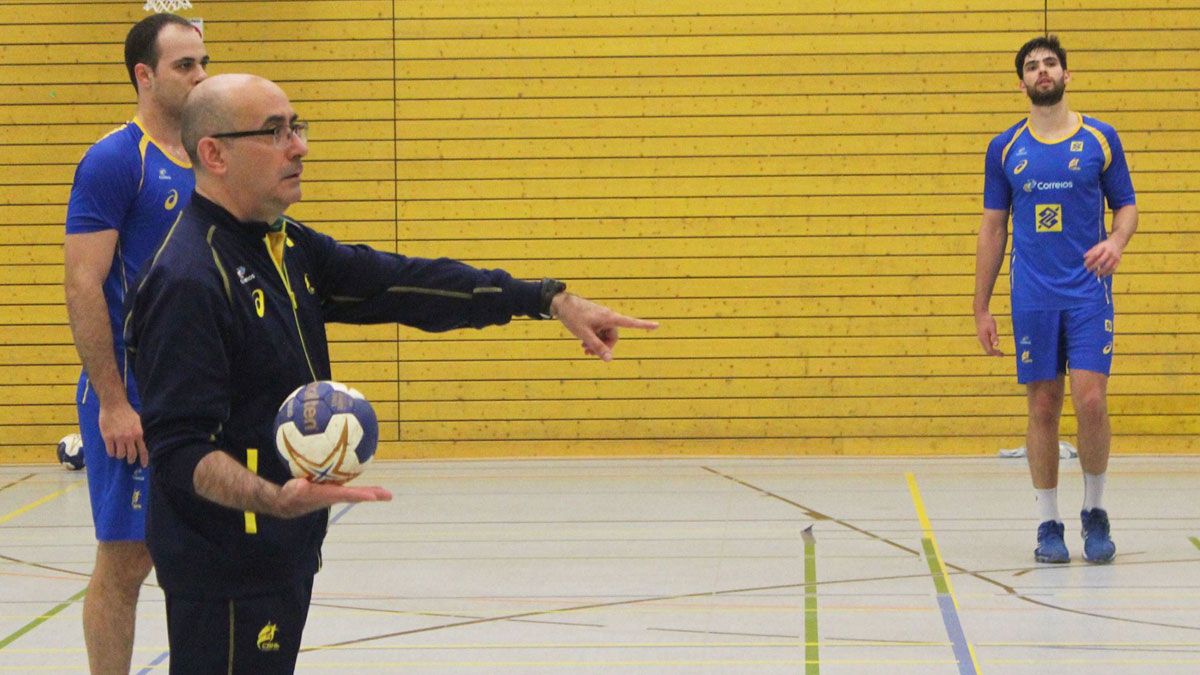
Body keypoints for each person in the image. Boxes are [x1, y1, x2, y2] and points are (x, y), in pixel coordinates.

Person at [125, 73, 659, 673]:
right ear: (213, 153)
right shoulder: (189, 280)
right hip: (226, 568)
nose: (298, 145)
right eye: (273, 132)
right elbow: (179, 450)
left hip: (280, 551)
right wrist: (275, 499)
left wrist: (546, 299)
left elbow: (404, 284)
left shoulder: (280, 245)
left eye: (296, 126)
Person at [62, 13, 208, 673]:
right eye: (185, 65)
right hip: (135, 397)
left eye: (204, 62)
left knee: (206, 553)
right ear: (145, 76)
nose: (200, 75)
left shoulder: (211, 156)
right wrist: (115, 402)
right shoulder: (116, 160)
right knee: (126, 560)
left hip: (199, 395)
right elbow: (84, 282)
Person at [974, 35, 1137, 565]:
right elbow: (993, 229)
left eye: (1050, 63)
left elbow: (1128, 207)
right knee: (1043, 406)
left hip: (1088, 294)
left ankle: (1095, 512)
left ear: (1067, 76)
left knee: (1090, 400)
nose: (1041, 71)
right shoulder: (1004, 149)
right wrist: (982, 306)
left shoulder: (1100, 139)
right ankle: (1048, 522)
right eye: (1031, 66)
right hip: (1034, 297)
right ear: (1020, 83)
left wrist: (1115, 242)